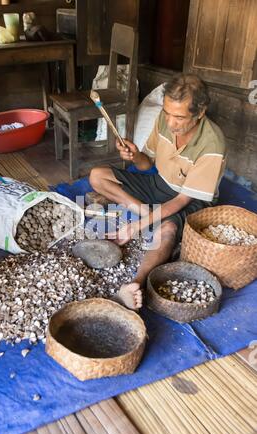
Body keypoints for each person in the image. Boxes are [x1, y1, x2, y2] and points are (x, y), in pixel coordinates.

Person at [89, 74, 226, 310]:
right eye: (168, 113)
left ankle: (135, 284)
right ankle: (147, 212)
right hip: (159, 183)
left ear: (200, 112)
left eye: (180, 117)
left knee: (168, 228)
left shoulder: (213, 143)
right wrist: (134, 155)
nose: (171, 123)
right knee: (97, 176)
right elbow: (146, 165)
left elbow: (182, 199)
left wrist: (135, 227)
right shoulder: (164, 120)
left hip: (189, 199)